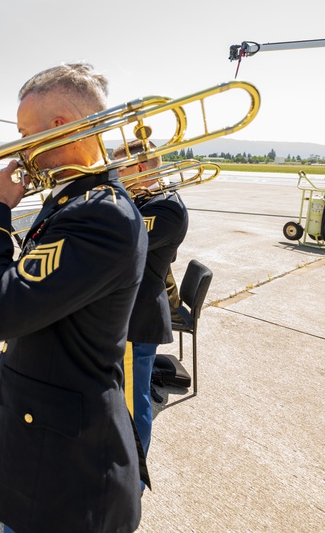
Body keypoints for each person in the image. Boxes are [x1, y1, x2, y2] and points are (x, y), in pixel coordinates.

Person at [0, 62, 147, 533]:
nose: (19, 147)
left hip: (63, 462)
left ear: (60, 128)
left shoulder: (103, 215)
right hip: (40, 438)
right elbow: (23, 290)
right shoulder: (75, 201)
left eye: (23, 133)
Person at [114, 140, 189, 484]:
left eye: (120, 169)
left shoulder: (167, 208)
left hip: (137, 319)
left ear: (142, 170)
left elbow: (121, 240)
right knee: (119, 400)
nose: (114, 175)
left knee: (132, 405)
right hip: (120, 316)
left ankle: (133, 481)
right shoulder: (140, 200)